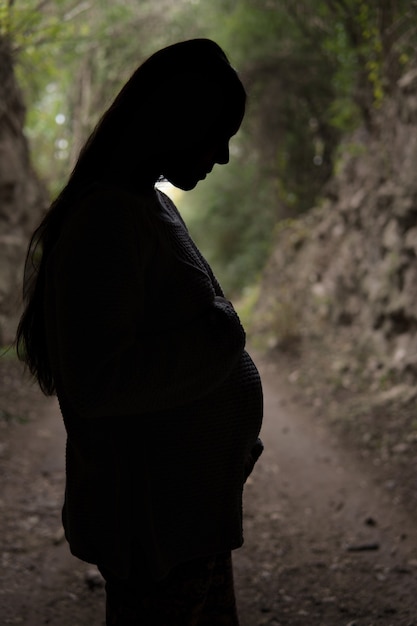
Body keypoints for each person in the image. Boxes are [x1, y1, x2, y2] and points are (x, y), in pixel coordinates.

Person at [16, 38, 263, 625]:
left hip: (188, 513)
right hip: (154, 524)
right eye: (217, 134)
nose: (223, 156)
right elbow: (99, 383)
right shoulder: (104, 220)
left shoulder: (148, 205)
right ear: (175, 122)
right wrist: (221, 340)